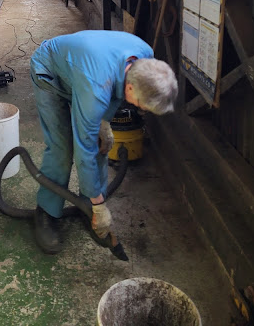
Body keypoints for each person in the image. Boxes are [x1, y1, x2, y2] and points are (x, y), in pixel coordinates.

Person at [30, 30, 178, 254]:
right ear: (131, 88)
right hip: (49, 72)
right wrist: (101, 207)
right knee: (63, 149)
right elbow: (84, 149)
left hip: (85, 71)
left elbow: (116, 89)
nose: (141, 110)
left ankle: (86, 205)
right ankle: (47, 213)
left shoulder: (145, 55)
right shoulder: (96, 86)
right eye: (141, 105)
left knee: (102, 145)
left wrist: (104, 123)